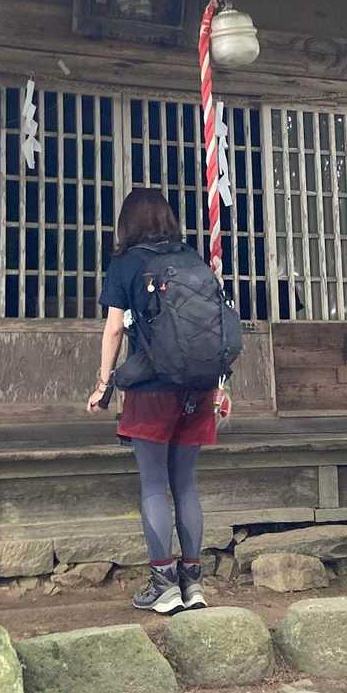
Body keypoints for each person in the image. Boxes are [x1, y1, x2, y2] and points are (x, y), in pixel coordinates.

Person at [87, 188, 215, 614]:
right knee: (187, 484)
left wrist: (103, 384)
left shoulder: (126, 264)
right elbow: (211, 326)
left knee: (154, 485)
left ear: (127, 223)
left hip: (151, 389)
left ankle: (164, 584)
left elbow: (114, 329)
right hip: (198, 387)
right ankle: (193, 583)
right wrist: (222, 386)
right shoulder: (192, 259)